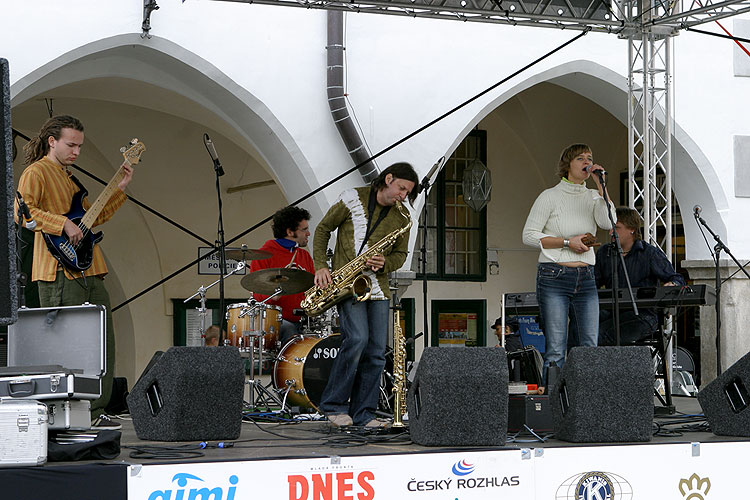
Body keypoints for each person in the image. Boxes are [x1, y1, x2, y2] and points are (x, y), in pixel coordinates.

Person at [15, 115, 134, 422]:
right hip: (56, 270)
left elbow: (92, 218)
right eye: (71, 145)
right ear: (52, 141)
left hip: (89, 266)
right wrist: (61, 223)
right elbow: (22, 212)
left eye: (80, 146)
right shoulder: (36, 171)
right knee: (68, 344)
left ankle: (98, 409)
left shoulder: (69, 177)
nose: (76, 152)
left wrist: (119, 188)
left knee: (101, 341)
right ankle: (70, 414)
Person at [313, 162, 418, 428]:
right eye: (401, 188)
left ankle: (364, 414)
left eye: (407, 192)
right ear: (388, 178)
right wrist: (321, 265)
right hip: (349, 284)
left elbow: (400, 256)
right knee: (357, 339)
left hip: (378, 289)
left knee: (375, 353)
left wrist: (386, 263)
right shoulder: (352, 198)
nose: (403, 196)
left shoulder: (402, 217)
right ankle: (334, 405)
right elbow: (323, 229)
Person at [522, 143, 616, 382]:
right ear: (567, 166)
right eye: (580, 158)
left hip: (586, 277)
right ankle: (554, 409)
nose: (587, 161)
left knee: (589, 347)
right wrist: (566, 243)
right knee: (556, 348)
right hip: (554, 275)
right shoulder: (550, 196)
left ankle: (585, 406)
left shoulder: (594, 197)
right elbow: (529, 235)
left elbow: (609, 222)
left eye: (590, 158)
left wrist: (601, 187)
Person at [595, 207, 686, 345]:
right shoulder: (604, 253)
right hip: (611, 311)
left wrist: (672, 285)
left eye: (616, 227)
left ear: (631, 229)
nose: (611, 232)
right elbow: (592, 283)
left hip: (643, 314)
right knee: (582, 328)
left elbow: (677, 279)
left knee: (601, 334)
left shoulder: (649, 253)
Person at [249, 205, 315, 347]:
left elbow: (312, 288)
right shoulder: (263, 255)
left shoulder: (305, 255)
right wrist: (273, 295)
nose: (308, 233)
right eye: (304, 230)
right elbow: (258, 294)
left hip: (305, 319)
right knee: (289, 329)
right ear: (290, 232)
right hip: (278, 321)